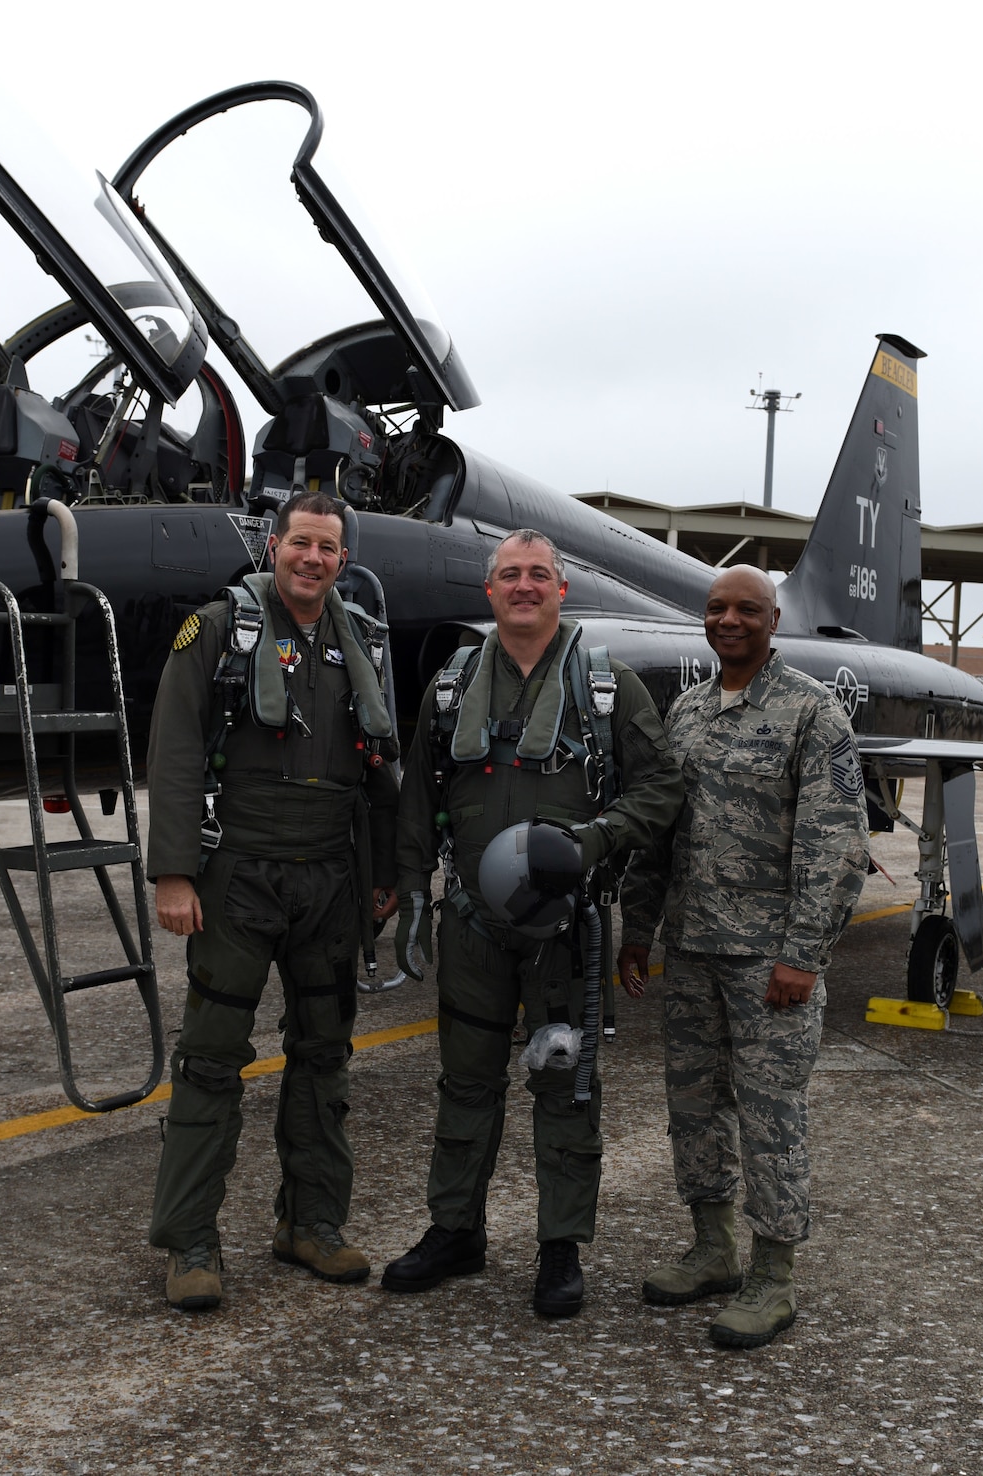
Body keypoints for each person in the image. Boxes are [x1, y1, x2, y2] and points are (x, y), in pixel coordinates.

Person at [383, 529, 683, 1317]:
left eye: (538, 575)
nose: (523, 586)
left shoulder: (609, 685)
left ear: (562, 591)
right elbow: (419, 795)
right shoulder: (450, 686)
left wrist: (594, 841)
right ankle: (455, 1232)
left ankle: (560, 1248)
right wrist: (412, 889)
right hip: (473, 926)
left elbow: (661, 792)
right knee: (466, 1086)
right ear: (489, 592)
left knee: (565, 1090)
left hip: (567, 929)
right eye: (509, 575)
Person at [143, 491, 399, 1312]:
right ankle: (189, 1241)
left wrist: (383, 873)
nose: (313, 560)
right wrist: (174, 874)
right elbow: (176, 750)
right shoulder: (219, 629)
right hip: (239, 875)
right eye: (300, 545)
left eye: (328, 549)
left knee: (324, 1057)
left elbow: (379, 765)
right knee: (212, 1059)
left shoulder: (358, 639)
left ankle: (311, 1226)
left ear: (343, 561)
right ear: (274, 546)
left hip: (329, 876)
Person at [617, 564, 869, 1349]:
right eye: (717, 608)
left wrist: (804, 955)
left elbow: (836, 848)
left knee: (771, 1120)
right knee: (693, 1109)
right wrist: (637, 928)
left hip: (768, 964)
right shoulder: (686, 713)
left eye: (747, 609)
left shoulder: (811, 715)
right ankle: (712, 1247)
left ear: (774, 617)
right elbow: (659, 834)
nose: (730, 620)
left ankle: (773, 1277)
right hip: (690, 952)